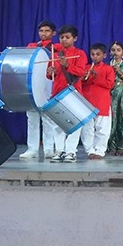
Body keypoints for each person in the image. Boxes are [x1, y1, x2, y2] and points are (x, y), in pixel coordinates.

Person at [21, 20, 64, 159]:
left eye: (47, 31)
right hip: (33, 86)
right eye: (41, 31)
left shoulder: (57, 47)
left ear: (53, 33)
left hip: (48, 85)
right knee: (31, 118)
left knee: (48, 119)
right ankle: (32, 149)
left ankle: (49, 149)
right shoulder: (32, 46)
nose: (43, 33)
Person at [52, 24, 91, 161]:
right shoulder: (55, 54)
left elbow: (81, 72)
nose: (64, 40)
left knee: (74, 123)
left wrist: (67, 65)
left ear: (75, 38)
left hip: (73, 92)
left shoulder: (80, 54)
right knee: (57, 124)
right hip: (57, 92)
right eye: (62, 37)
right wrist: (50, 72)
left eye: (67, 37)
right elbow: (50, 75)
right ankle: (59, 150)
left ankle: (71, 151)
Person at [78, 43, 116, 160]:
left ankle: (100, 151)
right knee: (87, 129)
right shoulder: (86, 68)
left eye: (98, 54)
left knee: (102, 128)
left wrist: (97, 77)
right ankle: (90, 150)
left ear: (104, 55)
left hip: (102, 102)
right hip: (87, 101)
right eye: (92, 54)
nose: (95, 57)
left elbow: (110, 85)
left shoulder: (108, 69)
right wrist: (85, 77)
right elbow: (80, 84)